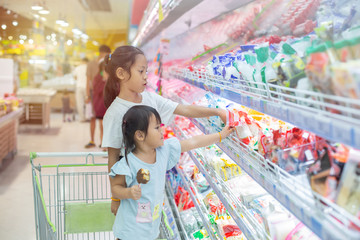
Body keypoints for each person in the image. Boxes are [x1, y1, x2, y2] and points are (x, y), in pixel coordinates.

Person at [101, 46, 228, 215]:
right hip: (131, 187)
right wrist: (116, 197)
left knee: (147, 225)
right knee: (132, 229)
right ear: (122, 74)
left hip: (152, 183)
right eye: (140, 71)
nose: (146, 76)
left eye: (146, 71)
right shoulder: (114, 113)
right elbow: (113, 158)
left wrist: (216, 112)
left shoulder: (150, 98)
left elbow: (183, 109)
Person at [109, 105, 234, 240]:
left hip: (150, 229)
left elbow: (193, 142)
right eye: (157, 128)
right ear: (140, 135)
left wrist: (220, 136)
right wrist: (127, 192)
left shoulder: (164, 150)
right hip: (129, 232)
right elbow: (115, 188)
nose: (161, 131)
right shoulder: (128, 164)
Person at [85, 45, 111, 148]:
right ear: (101, 53)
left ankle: (102, 142)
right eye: (106, 54)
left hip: (103, 94)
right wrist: (87, 96)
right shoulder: (91, 64)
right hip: (93, 93)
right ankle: (92, 140)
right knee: (92, 118)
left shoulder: (107, 64)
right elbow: (88, 81)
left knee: (102, 120)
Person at [92, 60, 108, 149]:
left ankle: (106, 144)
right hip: (100, 106)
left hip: (109, 106)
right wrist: (104, 81)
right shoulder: (98, 78)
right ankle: (103, 144)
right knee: (102, 126)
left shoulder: (112, 78)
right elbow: (97, 90)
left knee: (108, 126)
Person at [73, 57, 89, 122]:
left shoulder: (77, 68)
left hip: (79, 87)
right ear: (87, 62)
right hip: (87, 87)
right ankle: (88, 117)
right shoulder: (88, 68)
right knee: (87, 103)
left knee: (80, 103)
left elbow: (75, 77)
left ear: (82, 61)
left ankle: (82, 118)